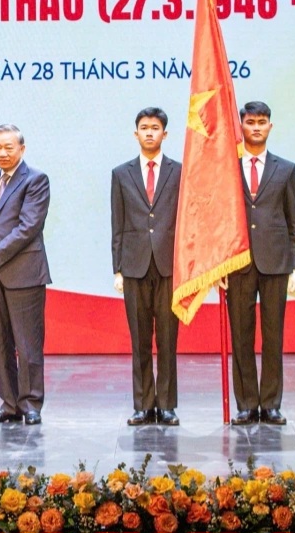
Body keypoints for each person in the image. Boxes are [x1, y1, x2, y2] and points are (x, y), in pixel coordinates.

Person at [227, 101, 295, 426]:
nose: (256, 127)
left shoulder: (286, 169)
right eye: (250, 122)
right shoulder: (227, 168)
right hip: (238, 263)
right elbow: (220, 220)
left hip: (276, 262)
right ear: (241, 125)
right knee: (241, 336)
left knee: (273, 336)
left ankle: (271, 404)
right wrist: (219, 265)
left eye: (261, 122)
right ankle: (246, 403)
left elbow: (293, 220)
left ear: (270, 126)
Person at [0, 124, 51, 425]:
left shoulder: (36, 180)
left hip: (24, 273)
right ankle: (9, 403)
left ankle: (30, 404)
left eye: (8, 147)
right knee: (1, 343)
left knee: (27, 343)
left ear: (22, 149)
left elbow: (28, 228)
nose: (2, 153)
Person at [110, 107, 181, 426]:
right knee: (139, 340)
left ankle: (166, 405)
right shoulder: (121, 174)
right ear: (135, 133)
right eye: (144, 127)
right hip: (134, 265)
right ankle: (142, 404)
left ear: (165, 134)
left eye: (155, 127)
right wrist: (117, 269)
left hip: (168, 267)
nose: (149, 132)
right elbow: (118, 223)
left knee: (167, 339)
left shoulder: (179, 172)